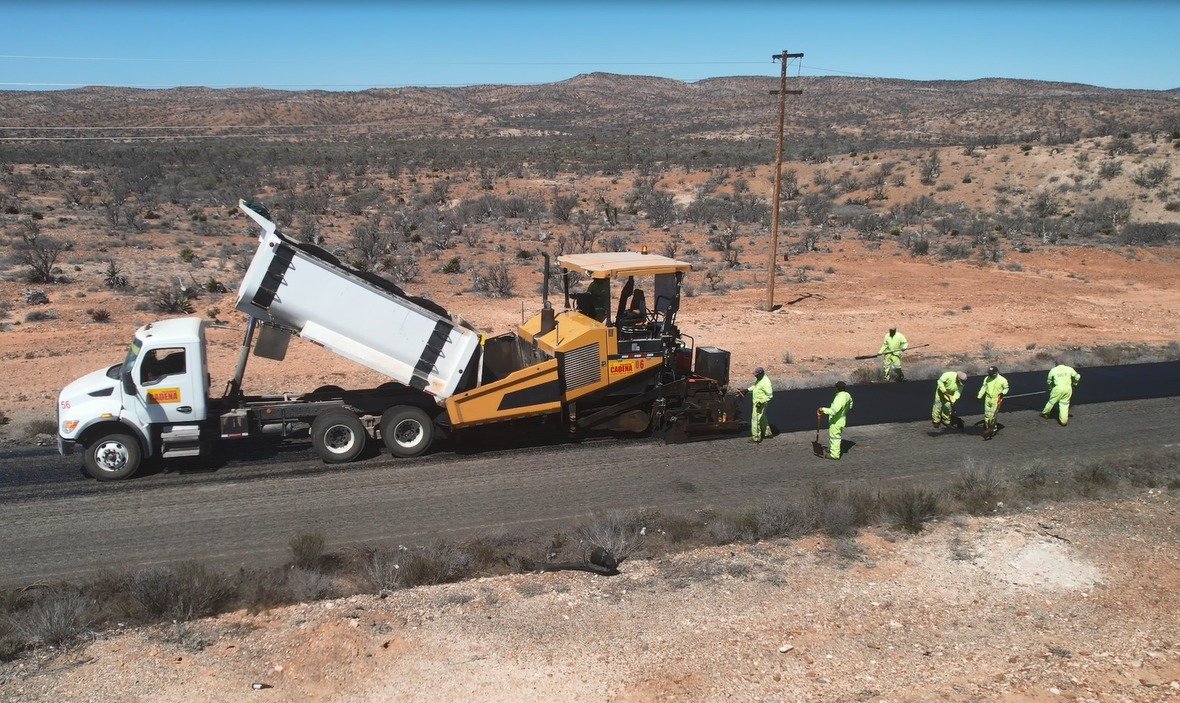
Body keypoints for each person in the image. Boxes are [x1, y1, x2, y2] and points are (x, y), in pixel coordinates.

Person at [818, 381, 853, 459]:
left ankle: (834, 455)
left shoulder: (839, 398)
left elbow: (833, 411)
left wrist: (822, 409)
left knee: (835, 438)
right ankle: (831, 449)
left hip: (836, 421)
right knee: (833, 436)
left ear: (837, 388)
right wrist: (843, 412)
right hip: (841, 419)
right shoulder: (847, 395)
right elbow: (850, 405)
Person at [1042, 358, 1081, 425]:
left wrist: (1051, 388)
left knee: (1051, 401)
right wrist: (1074, 384)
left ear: (1056, 364)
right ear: (1064, 363)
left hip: (1057, 388)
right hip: (1068, 389)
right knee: (1064, 404)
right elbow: (1077, 376)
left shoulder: (1053, 370)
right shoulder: (1069, 369)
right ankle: (1063, 421)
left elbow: (1049, 381)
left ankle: (1045, 413)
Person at [977, 365, 1009, 440]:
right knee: (987, 416)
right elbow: (984, 387)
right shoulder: (987, 379)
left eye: (991, 374)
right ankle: (988, 429)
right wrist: (979, 395)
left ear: (996, 373)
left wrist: (1002, 393)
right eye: (989, 373)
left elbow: (1006, 388)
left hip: (996, 399)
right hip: (988, 399)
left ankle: (992, 430)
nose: (990, 375)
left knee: (992, 416)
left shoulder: (1002, 380)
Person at [744, 367, 773, 443]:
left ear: (761, 373)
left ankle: (756, 438)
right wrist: (747, 390)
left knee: (755, 420)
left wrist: (761, 402)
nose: (755, 376)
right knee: (762, 417)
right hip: (758, 403)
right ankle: (767, 433)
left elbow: (769, 396)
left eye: (756, 375)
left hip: (760, 404)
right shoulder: (760, 379)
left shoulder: (766, 383)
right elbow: (755, 386)